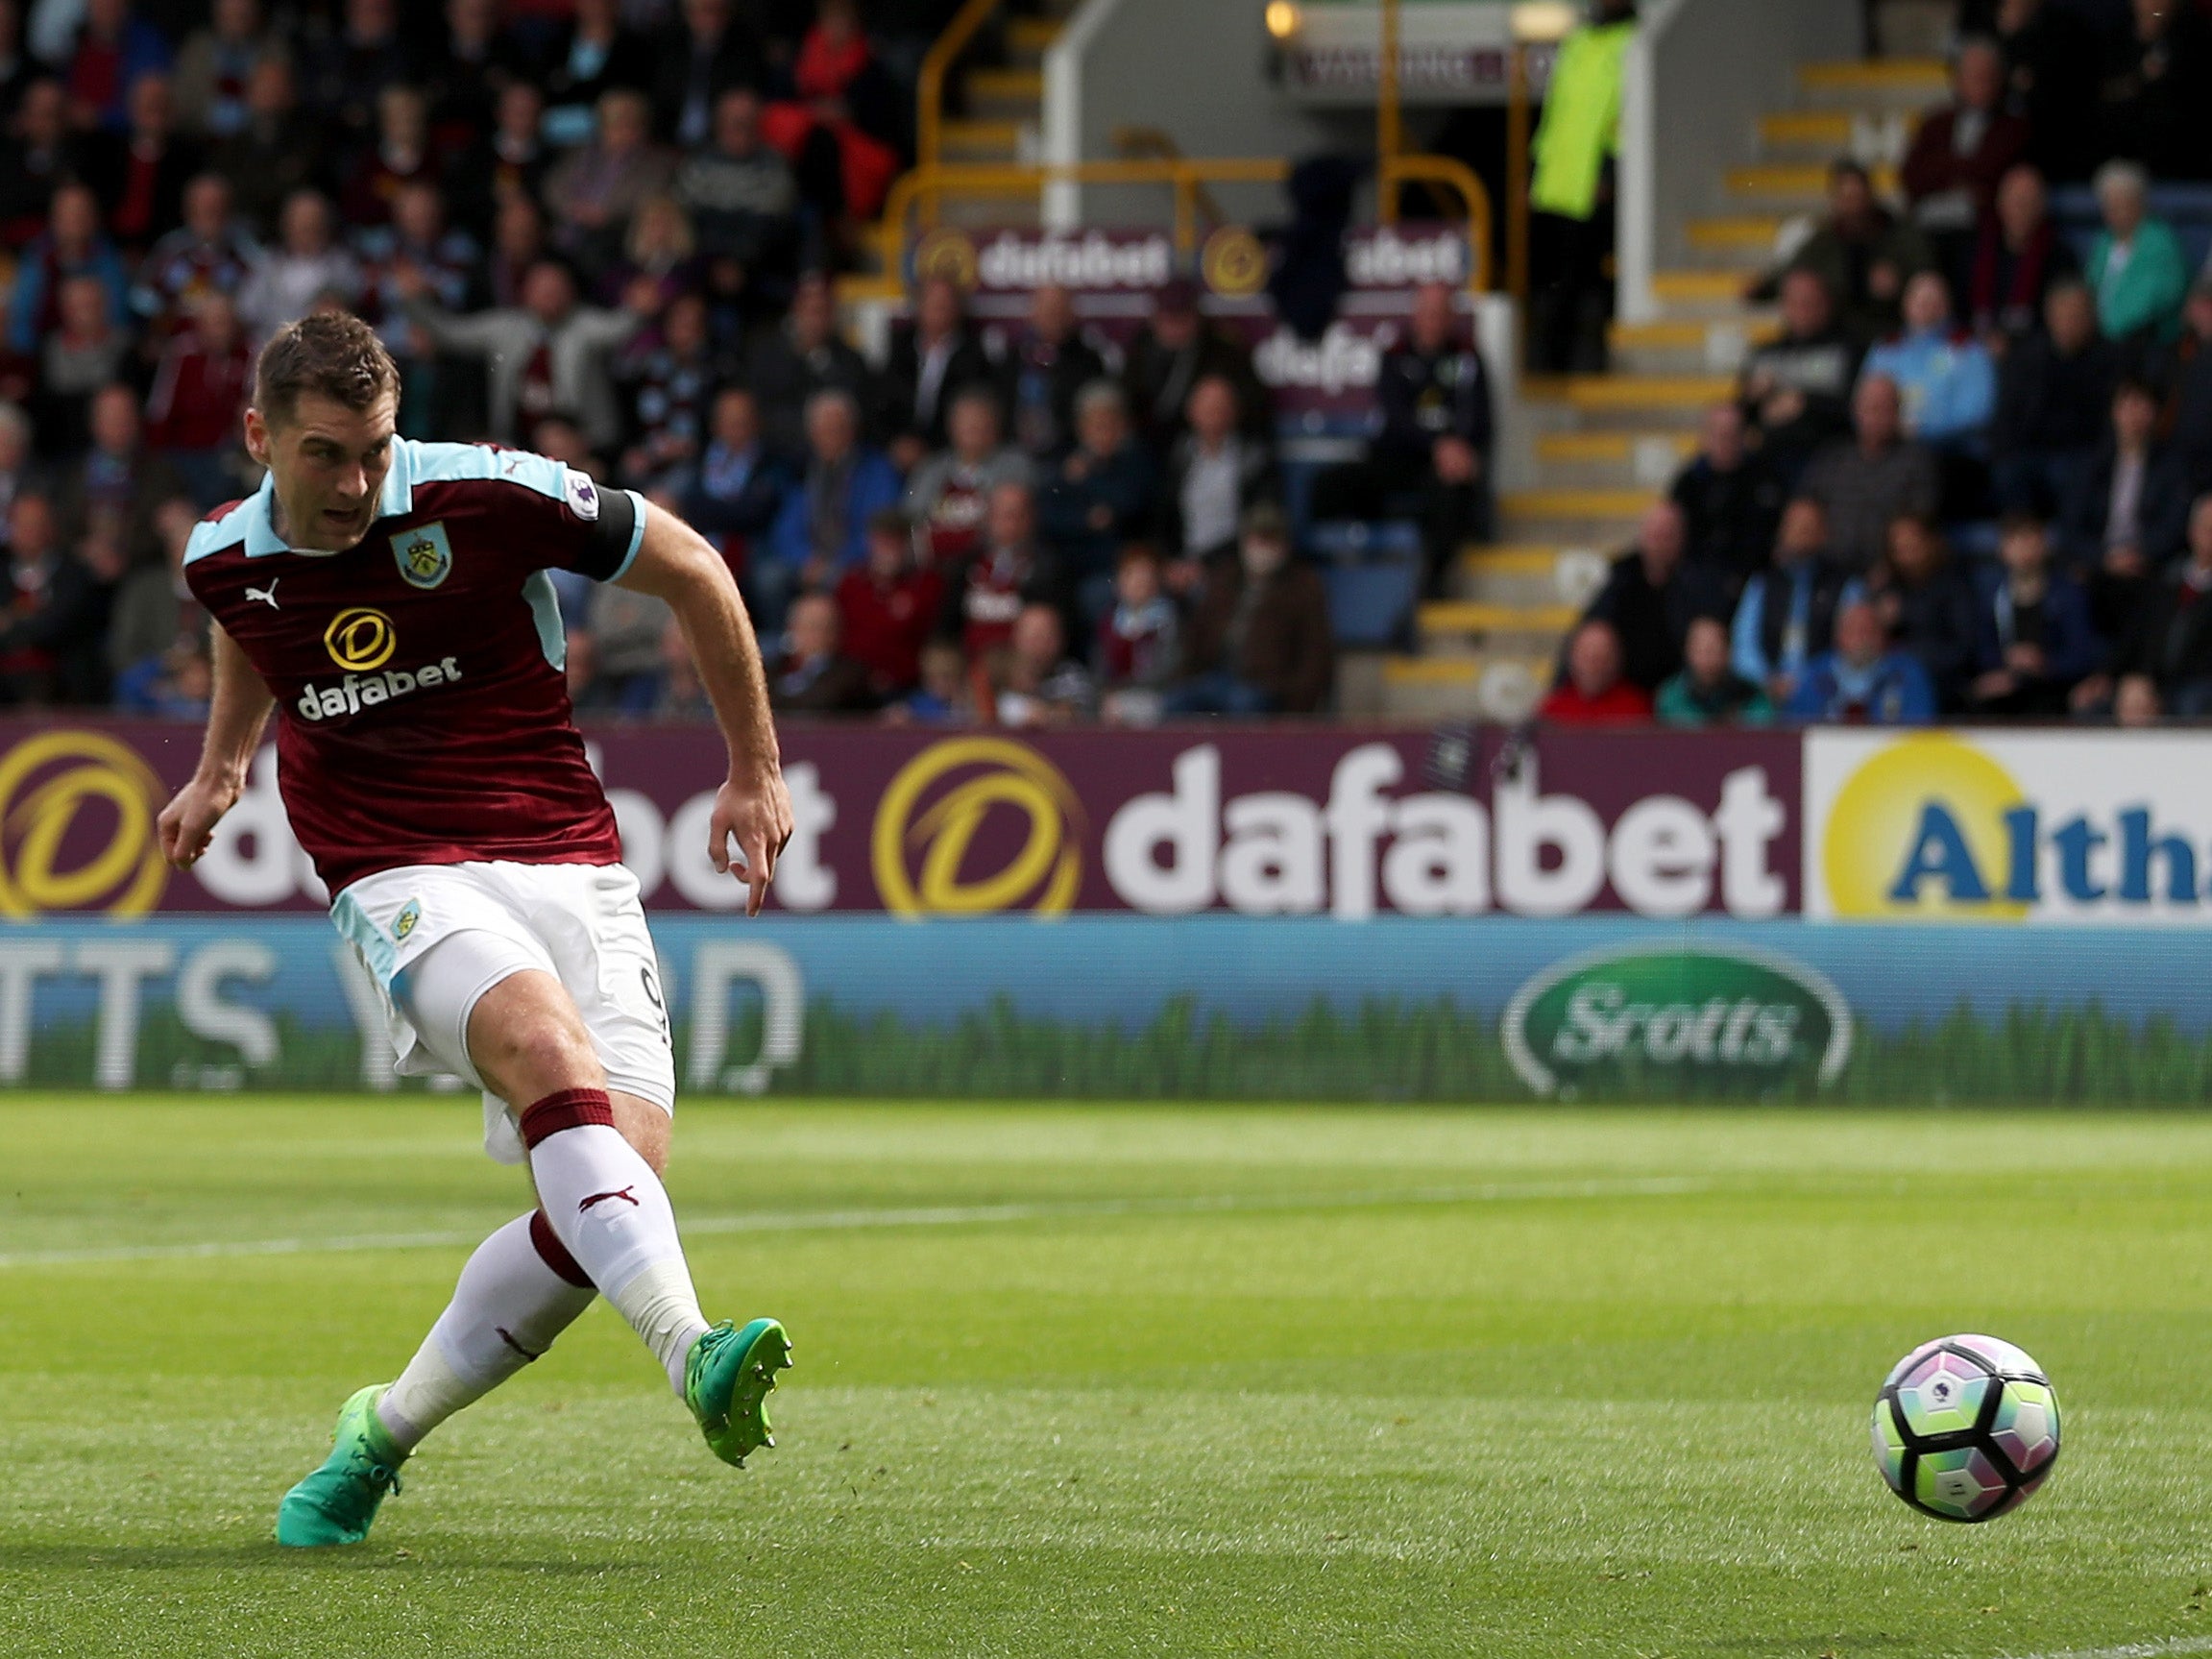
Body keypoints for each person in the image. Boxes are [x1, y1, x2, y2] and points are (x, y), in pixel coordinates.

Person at [158, 312, 795, 1549]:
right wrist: (225, 765)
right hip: (395, 862)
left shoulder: (488, 492)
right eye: (326, 456)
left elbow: (694, 569)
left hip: (567, 846)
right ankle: (691, 1349)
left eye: (373, 453)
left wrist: (753, 768)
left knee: (616, 1189)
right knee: (550, 1063)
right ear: (260, 438)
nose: (355, 485)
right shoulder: (217, 558)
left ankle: (376, 1436)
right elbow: (252, 621)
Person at [1526, 0, 1635, 374]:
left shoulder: (1633, 42)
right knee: (1550, 280)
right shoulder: (1578, 40)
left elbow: (1624, 114)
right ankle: (1547, 365)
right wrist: (1538, 167)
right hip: (1557, 181)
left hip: (1594, 183)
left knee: (1588, 280)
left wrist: (1610, 171)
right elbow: (1558, 109)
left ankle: (1586, 364)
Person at [1370, 280, 1495, 594]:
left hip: (1447, 466)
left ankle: (1431, 582)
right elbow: (1396, 418)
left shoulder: (1466, 357)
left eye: (1440, 313)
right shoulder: (1395, 355)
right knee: (1331, 486)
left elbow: (1478, 417)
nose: (1433, 320)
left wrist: (1457, 449)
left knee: (1453, 488)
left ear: (1451, 317)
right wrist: (1437, 445)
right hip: (1401, 458)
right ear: (1415, 314)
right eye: (1427, 312)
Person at [1164, 503, 1332, 718]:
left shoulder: (1304, 587)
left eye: (1270, 539)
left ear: (1284, 544)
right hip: (1215, 676)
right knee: (1176, 703)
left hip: (1267, 686)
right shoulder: (1224, 578)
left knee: (1243, 705)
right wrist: (1182, 679)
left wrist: (1297, 704)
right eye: (1257, 538)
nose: (1263, 547)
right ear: (1245, 541)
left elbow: (1315, 652)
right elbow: (1195, 638)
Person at [758, 386, 901, 629]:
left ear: (852, 430)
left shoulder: (876, 471)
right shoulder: (804, 471)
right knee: (768, 578)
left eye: (837, 429)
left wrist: (836, 563)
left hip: (852, 562)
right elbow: (786, 527)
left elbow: (877, 529)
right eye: (822, 430)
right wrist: (806, 560)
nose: (829, 436)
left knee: (848, 583)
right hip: (809, 561)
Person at [2060, 377, 2190, 641]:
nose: (2135, 414)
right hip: (2099, 563)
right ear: (2115, 411)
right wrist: (2105, 559)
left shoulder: (2172, 467)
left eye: (2143, 406)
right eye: (2129, 404)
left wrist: (2137, 555)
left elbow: (2173, 526)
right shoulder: (2089, 466)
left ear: (2155, 413)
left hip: (2147, 564)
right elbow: (2070, 529)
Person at [1751, 160, 1932, 345]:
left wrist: (1902, 284)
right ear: (1835, 200)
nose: (1853, 206)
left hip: (1891, 331)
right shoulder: (1825, 240)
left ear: (1870, 196)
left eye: (1857, 196)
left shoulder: (1900, 235)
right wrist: (1761, 289)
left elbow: (1927, 277)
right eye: (1846, 198)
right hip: (1837, 336)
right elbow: (1793, 270)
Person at [1899, 37, 2029, 280]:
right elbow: (1912, 176)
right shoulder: (1935, 124)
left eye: (1986, 76)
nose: (1979, 83)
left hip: (1981, 229)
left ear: (2000, 79)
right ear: (1957, 79)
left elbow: (1992, 172)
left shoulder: (2012, 128)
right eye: (1972, 75)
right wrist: (1962, 172)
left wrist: (1943, 168)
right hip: (1928, 226)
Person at [1992, 281, 2125, 518]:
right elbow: (2007, 416)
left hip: (2083, 452)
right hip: (2031, 450)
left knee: (2076, 476)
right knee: (2007, 473)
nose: (2071, 322)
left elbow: (2111, 424)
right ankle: (2022, 543)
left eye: (2078, 315)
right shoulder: (2025, 357)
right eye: (2064, 315)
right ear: (2050, 317)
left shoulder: (2111, 360)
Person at [1576, 500, 1726, 693]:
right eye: (1655, 536)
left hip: (1684, 692)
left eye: (1668, 536)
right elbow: (1592, 626)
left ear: (1682, 538)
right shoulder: (1622, 578)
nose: (1660, 545)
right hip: (1627, 690)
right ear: (1642, 537)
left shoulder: (1699, 582)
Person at [1799, 375, 1940, 573]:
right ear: (1855, 411)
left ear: (1897, 412)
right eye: (1869, 407)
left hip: (1891, 573)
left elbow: (1918, 524)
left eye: (1883, 408)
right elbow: (1806, 510)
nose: (1875, 416)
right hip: (1828, 572)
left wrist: (1889, 569)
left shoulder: (1916, 462)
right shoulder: (1832, 459)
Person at [1731, 496, 1859, 708]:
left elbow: (1853, 643)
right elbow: (1744, 645)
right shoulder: (1762, 584)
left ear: (1824, 533)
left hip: (1828, 693)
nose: (1800, 532)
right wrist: (1768, 681)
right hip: (1766, 695)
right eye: (1794, 525)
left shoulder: (1846, 586)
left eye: (1808, 526)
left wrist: (1808, 683)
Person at [1967, 514, 2100, 717]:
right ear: (2003, 549)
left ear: (2044, 546)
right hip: (2006, 687)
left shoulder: (2068, 594)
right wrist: (2005, 660)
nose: (2023, 550)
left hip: (2054, 688)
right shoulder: (1992, 597)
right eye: (2015, 542)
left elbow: (2081, 654)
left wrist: (2044, 663)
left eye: (2030, 541)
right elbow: (1980, 649)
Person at [1737, 267, 1860, 484]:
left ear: (1826, 304)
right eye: (1795, 302)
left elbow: (1858, 409)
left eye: (1810, 302)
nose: (1802, 310)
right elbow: (1740, 413)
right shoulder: (1764, 354)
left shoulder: (1848, 350)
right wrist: (1752, 400)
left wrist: (1805, 404)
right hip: (1768, 465)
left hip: (1829, 461)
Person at [1120, 275, 1260, 459]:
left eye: (1181, 318)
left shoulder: (1223, 353)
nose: (1174, 327)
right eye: (1168, 318)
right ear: (1154, 318)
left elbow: (1253, 410)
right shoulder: (1141, 348)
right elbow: (1126, 400)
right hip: (1149, 450)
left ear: (1196, 317)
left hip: (1207, 451)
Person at [1861, 272, 1996, 451]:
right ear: (1905, 304)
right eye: (1920, 301)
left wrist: (1922, 431)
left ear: (1947, 305)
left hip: (1950, 453)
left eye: (1934, 301)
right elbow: (1863, 401)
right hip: (1888, 449)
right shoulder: (1886, 348)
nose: (1927, 307)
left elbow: (1978, 413)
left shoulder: (1968, 349)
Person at [904, 384, 1030, 568]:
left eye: (980, 420)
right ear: (951, 426)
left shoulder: (1015, 465)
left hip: (992, 568)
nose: (973, 428)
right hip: (933, 567)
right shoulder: (931, 468)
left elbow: (1011, 525)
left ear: (996, 425)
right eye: (966, 421)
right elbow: (910, 520)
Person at [1164, 373, 1276, 573]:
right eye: (1207, 409)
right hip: (1181, 565)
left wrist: (1205, 563)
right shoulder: (1179, 456)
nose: (1214, 415)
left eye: (1221, 408)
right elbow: (1164, 518)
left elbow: (1259, 522)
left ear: (1235, 412)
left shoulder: (1253, 459)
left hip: (1234, 565)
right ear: (1191, 411)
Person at [881, 273, 992, 468]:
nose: (939, 310)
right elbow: (882, 404)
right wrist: (896, 443)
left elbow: (969, 415)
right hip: (896, 450)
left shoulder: (973, 356)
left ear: (957, 309)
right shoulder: (900, 348)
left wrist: (927, 451)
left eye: (945, 304)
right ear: (919, 306)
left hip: (947, 454)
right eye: (933, 304)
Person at [1869, 515, 1979, 711]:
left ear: (1929, 542)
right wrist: (1880, 622)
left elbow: (1964, 648)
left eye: (1912, 541)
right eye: (1898, 545)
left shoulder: (1954, 585)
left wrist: (1905, 617)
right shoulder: (1887, 587)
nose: (1905, 548)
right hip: (1889, 682)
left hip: (1942, 684)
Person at [835, 507, 942, 700]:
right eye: (882, 541)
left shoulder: (925, 585)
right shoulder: (852, 584)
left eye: (895, 541)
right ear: (870, 542)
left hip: (906, 687)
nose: (888, 548)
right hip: (852, 686)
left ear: (907, 544)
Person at [1966, 164, 2078, 346]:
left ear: (2041, 206)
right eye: (2015, 201)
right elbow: (1962, 314)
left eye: (2028, 202)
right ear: (2000, 203)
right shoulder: (1976, 252)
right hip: (1977, 350)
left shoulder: (2059, 256)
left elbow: (2060, 324)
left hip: (2034, 355)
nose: (2021, 209)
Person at [2085, 160, 2187, 356]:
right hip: (2100, 339)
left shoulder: (2160, 242)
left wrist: (2103, 329)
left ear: (2140, 202)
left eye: (2122, 203)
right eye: (2110, 203)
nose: (2115, 211)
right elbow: (2090, 286)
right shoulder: (2104, 242)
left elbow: (2157, 299)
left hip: (2146, 342)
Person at [996, 281, 1106, 461]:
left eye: (1058, 309)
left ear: (1071, 315)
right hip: (1014, 455)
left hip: (1068, 457)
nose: (1052, 316)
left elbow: (1098, 421)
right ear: (1032, 314)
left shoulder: (1088, 362)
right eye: (1046, 309)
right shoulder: (1013, 359)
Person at [1787, 598, 1937, 724]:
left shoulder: (1908, 674)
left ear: (1883, 636)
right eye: (1854, 630)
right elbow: (1795, 726)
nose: (1862, 638)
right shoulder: (1814, 674)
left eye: (1870, 630)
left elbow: (1921, 730)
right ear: (1838, 636)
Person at [1094, 541, 1179, 727]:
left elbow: (1168, 669)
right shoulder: (1110, 622)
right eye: (1132, 574)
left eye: (1147, 574)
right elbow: (1100, 667)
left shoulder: (1168, 620)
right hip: (1113, 698)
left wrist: (1126, 692)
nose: (1141, 581)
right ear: (1119, 582)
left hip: (1155, 696)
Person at [767, 588, 873, 714]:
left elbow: (820, 705)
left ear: (835, 633)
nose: (814, 634)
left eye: (819, 627)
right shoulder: (772, 668)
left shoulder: (849, 675)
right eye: (804, 626)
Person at [1655, 615, 1771, 727]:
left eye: (1713, 649)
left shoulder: (1751, 694)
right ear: (1687, 651)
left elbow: (1762, 722)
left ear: (1728, 652)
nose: (1707, 658)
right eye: (1699, 649)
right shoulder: (1671, 695)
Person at [994, 600, 1095, 728]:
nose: (1039, 645)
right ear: (1016, 637)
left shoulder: (1072, 676)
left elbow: (1074, 713)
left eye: (1047, 636)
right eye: (1032, 636)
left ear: (1061, 640)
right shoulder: (994, 671)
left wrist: (1047, 714)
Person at [1538, 619, 1652, 725]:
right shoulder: (1552, 710)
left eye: (1602, 657)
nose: (1593, 666)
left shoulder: (1636, 709)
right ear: (1572, 658)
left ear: (1616, 659)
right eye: (1586, 656)